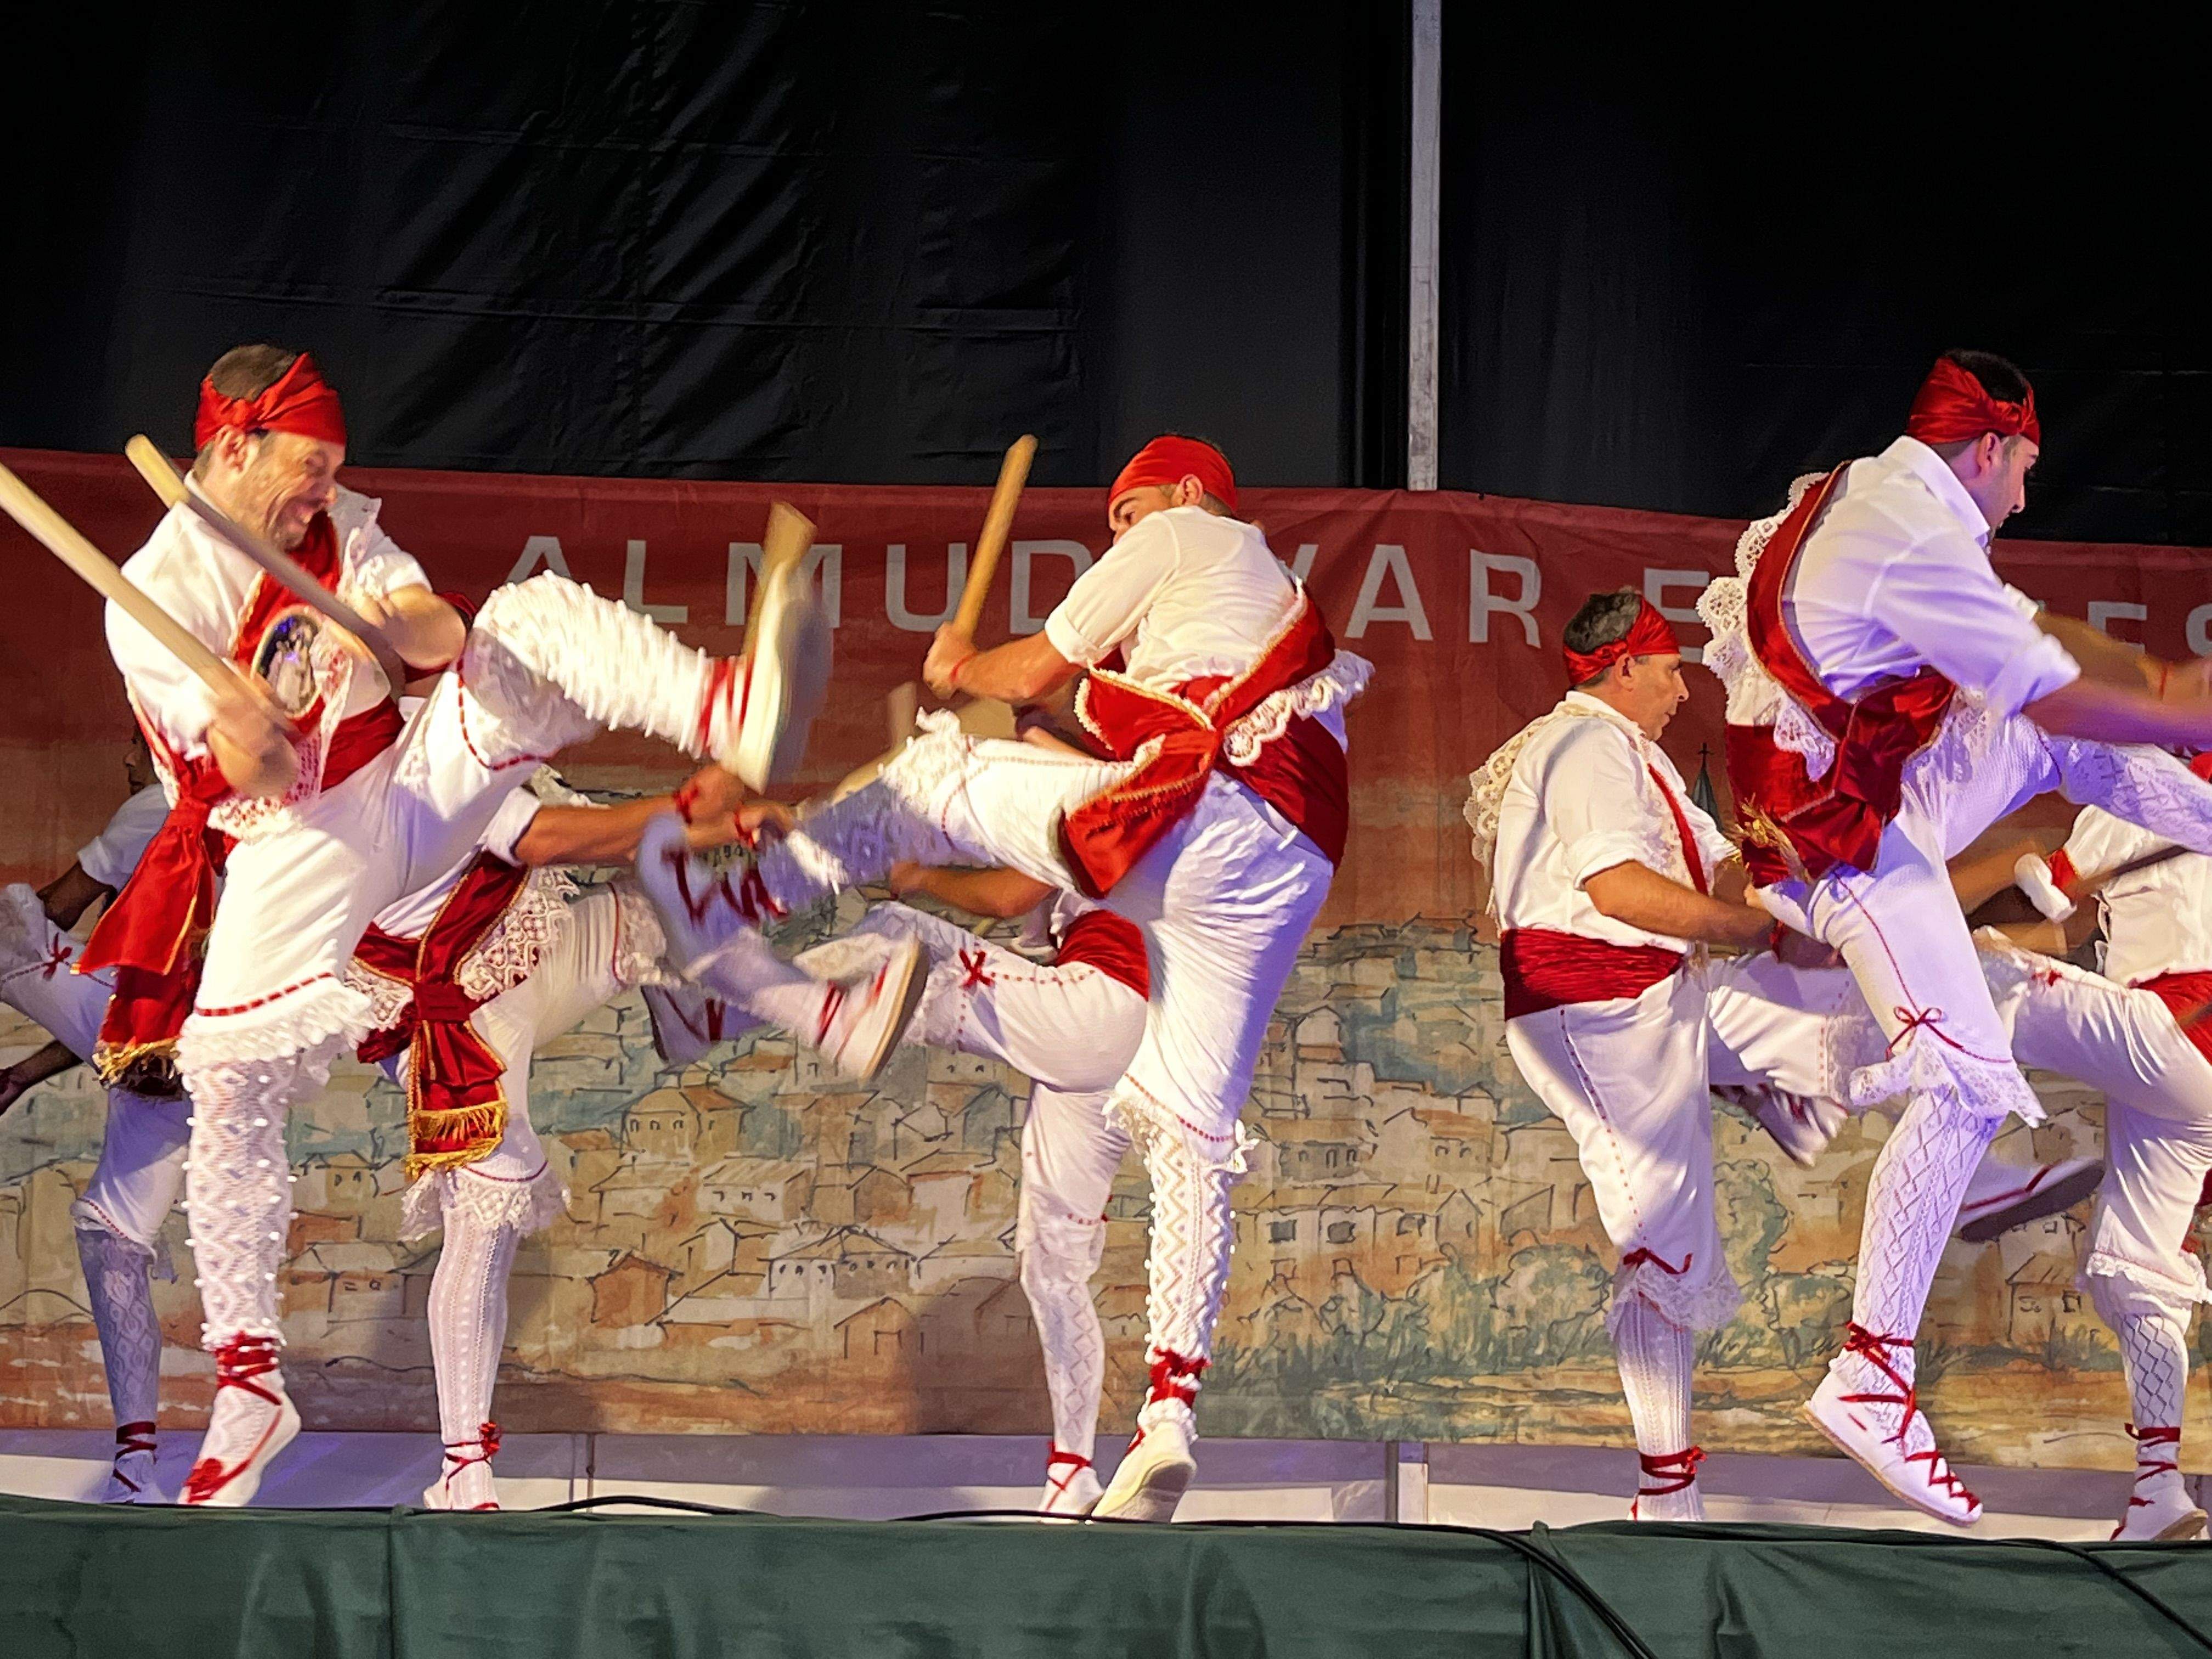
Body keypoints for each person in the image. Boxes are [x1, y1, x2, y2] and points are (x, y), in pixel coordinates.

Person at [96, 344, 855, 1505]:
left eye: (333, 470)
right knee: (228, 1073)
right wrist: (253, 713)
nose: (322, 488)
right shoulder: (155, 595)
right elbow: (248, 763)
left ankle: (726, 705)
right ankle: (251, 1384)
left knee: (523, 615)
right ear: (237, 447)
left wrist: (386, 623)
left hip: (403, 792)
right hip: (287, 840)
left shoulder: (338, 524)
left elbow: (435, 632)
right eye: (307, 466)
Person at [644, 434, 1370, 1521]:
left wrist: (963, 675)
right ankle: (1158, 1421)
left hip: (1189, 841)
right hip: (1289, 859)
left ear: (1176, 495)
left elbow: (1035, 671)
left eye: (1121, 516)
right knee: (1186, 1137)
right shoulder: (1257, 610)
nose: (1118, 536)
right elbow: (1067, 778)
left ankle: (732, 914)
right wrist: (988, 784)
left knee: (932, 769)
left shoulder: (1183, 533)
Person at [1698, 349, 2212, 1522]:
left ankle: (1801, 1069)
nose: (2027, 496)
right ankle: (1872, 1375)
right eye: (2026, 467)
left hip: (1862, 800)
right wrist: (2187, 693)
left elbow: (2046, 695)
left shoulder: (1879, 494)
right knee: (1971, 1078)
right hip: (1843, 837)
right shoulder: (1906, 535)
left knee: (2052, 755)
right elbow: (2069, 677)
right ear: (1989, 447)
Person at [650, 857, 1150, 1517]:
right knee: (1055, 1266)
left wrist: (920, 876)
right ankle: (1072, 1474)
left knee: (898, 927)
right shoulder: (1175, 842)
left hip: (1098, 1005)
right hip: (1125, 1052)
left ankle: (722, 1008)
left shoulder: (1102, 817)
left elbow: (1006, 894)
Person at [1469, 589, 1777, 1520]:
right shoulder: (1587, 746)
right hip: (1597, 1002)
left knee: (1826, 1028)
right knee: (1662, 1241)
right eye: (1672, 668)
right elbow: (1616, 887)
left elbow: (1719, 861)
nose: (1684, 690)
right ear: (1625, 666)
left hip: (1649, 996)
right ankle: (1664, 1492)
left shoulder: (1632, 757)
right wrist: (1753, 932)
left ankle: (1961, 1160)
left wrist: (1810, 865)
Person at [0, 768, 184, 1501]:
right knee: (114, 1233)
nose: (130, 763)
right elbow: (107, 1027)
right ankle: (136, 1467)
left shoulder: (161, 803)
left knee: (11, 925)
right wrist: (22, 1073)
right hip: (200, 1059)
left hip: (158, 1040)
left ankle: (140, 1465)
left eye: (135, 746)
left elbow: (54, 909)